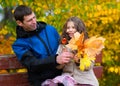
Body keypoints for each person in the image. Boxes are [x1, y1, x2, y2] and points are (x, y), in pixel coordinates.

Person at [12, 5, 74, 86]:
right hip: (41, 81)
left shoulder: (50, 29)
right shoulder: (19, 45)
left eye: (34, 17)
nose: (34, 21)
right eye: (29, 20)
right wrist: (55, 60)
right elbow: (32, 64)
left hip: (62, 77)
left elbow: (63, 45)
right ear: (20, 23)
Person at [42, 16, 99, 86]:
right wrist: (62, 61)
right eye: (68, 28)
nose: (70, 30)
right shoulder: (63, 45)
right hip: (67, 78)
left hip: (85, 80)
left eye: (73, 27)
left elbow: (89, 66)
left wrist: (78, 60)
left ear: (79, 29)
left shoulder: (86, 44)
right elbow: (58, 67)